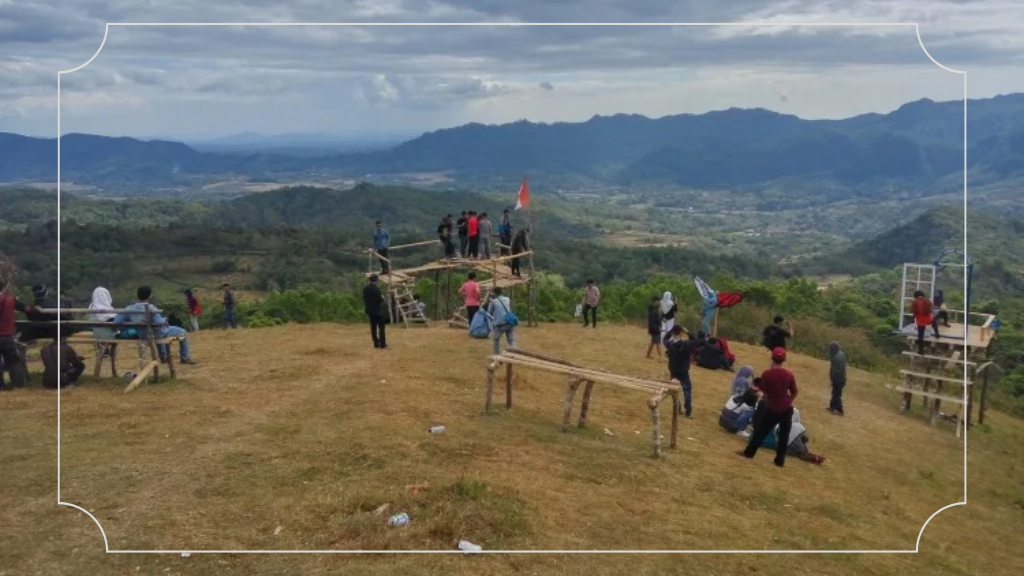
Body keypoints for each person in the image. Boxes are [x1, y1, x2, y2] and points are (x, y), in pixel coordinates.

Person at [739, 347, 797, 467]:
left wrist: (770, 399)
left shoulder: (767, 374)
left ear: (772, 358)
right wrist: (789, 401)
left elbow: (765, 392)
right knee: (784, 435)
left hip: (773, 408)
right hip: (786, 409)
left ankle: (749, 453)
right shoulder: (789, 374)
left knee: (761, 432)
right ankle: (779, 461)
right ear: (784, 360)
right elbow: (795, 391)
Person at [114, 286, 196, 365]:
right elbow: (159, 323)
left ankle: (163, 356)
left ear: (138, 295)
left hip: (142, 334)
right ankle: (185, 357)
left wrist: (132, 323)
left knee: (158, 332)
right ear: (149, 296)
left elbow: (117, 321)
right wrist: (164, 320)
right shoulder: (151, 308)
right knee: (182, 332)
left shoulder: (129, 308)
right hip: (155, 334)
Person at [0, 279, 32, 391]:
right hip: (8, 337)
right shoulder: (10, 300)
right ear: (3, 287)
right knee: (14, 361)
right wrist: (36, 308)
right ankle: (17, 385)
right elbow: (26, 309)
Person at [663, 325, 696, 417]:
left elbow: (665, 339)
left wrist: (671, 331)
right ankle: (688, 410)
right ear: (681, 333)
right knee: (687, 390)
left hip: (673, 370)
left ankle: (678, 407)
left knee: (674, 389)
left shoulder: (670, 344)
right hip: (684, 371)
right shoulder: (687, 344)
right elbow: (695, 340)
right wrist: (688, 332)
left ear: (673, 333)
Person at [88, 286, 118, 359]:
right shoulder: (107, 309)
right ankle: (108, 350)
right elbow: (115, 321)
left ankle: (103, 350)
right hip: (109, 335)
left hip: (96, 334)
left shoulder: (91, 307)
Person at [487, 287, 516, 355]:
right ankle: (514, 353)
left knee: (496, 339)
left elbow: (489, 312)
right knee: (510, 339)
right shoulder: (507, 299)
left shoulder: (493, 301)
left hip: (499, 324)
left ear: (494, 293)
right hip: (509, 322)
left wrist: (490, 302)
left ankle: (497, 355)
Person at [363, 274, 387, 349]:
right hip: (377, 311)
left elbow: (364, 298)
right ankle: (382, 344)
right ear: (376, 280)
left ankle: (376, 343)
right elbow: (380, 300)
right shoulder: (376, 289)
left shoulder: (366, 289)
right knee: (381, 327)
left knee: (373, 328)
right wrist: (382, 297)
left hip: (369, 310)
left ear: (369, 280)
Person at [828, 341, 847, 416]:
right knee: (834, 393)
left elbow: (836, 370)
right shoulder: (841, 353)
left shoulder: (836, 357)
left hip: (838, 379)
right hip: (842, 378)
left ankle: (840, 411)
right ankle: (832, 407)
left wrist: (833, 379)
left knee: (837, 395)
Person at [645, 296, 662, 360]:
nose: (659, 302)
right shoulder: (653, 311)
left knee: (653, 342)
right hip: (655, 329)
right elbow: (652, 322)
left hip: (654, 328)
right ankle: (661, 357)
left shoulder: (654, 309)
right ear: (655, 301)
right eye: (658, 301)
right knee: (658, 343)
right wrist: (657, 329)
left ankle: (648, 355)